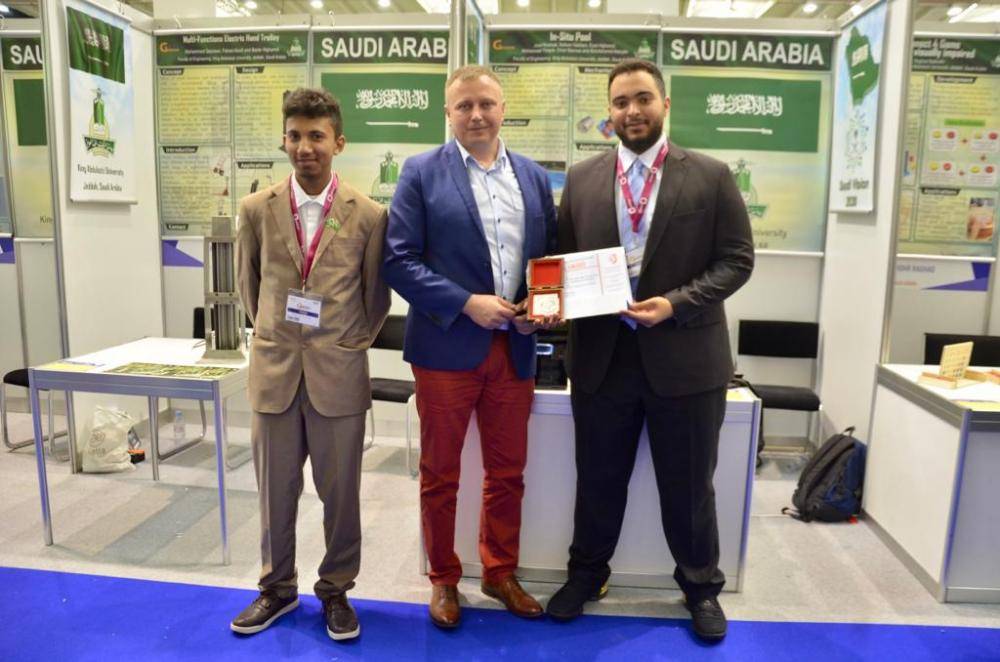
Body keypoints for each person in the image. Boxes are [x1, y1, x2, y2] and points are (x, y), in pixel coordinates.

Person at [545, 59, 754, 642]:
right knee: (597, 480)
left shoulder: (710, 175)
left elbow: (737, 261)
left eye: (642, 99)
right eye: (620, 102)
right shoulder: (583, 178)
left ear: (665, 104)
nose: (632, 111)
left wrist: (675, 304)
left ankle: (700, 588)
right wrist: (550, 304)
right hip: (602, 358)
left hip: (687, 360)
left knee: (689, 487)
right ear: (608, 113)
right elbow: (564, 264)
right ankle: (587, 575)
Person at [383, 65, 557, 628]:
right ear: (448, 113)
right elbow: (398, 260)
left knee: (508, 473)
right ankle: (443, 578)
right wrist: (465, 302)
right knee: (440, 474)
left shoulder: (533, 177)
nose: (476, 115)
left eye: (486, 104)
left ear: (503, 109)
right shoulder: (420, 173)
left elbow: (549, 260)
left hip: (515, 351)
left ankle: (500, 571)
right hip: (445, 349)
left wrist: (538, 313)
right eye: (464, 106)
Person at [232, 87, 390, 641]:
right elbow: (249, 288)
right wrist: (279, 338)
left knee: (340, 495)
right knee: (274, 491)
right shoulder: (256, 209)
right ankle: (277, 588)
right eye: (295, 136)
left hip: (338, 375)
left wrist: (343, 345)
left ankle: (336, 590)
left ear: (338, 143)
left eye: (317, 136)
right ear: (284, 140)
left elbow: (375, 300)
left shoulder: (368, 215)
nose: (305, 147)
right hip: (274, 373)